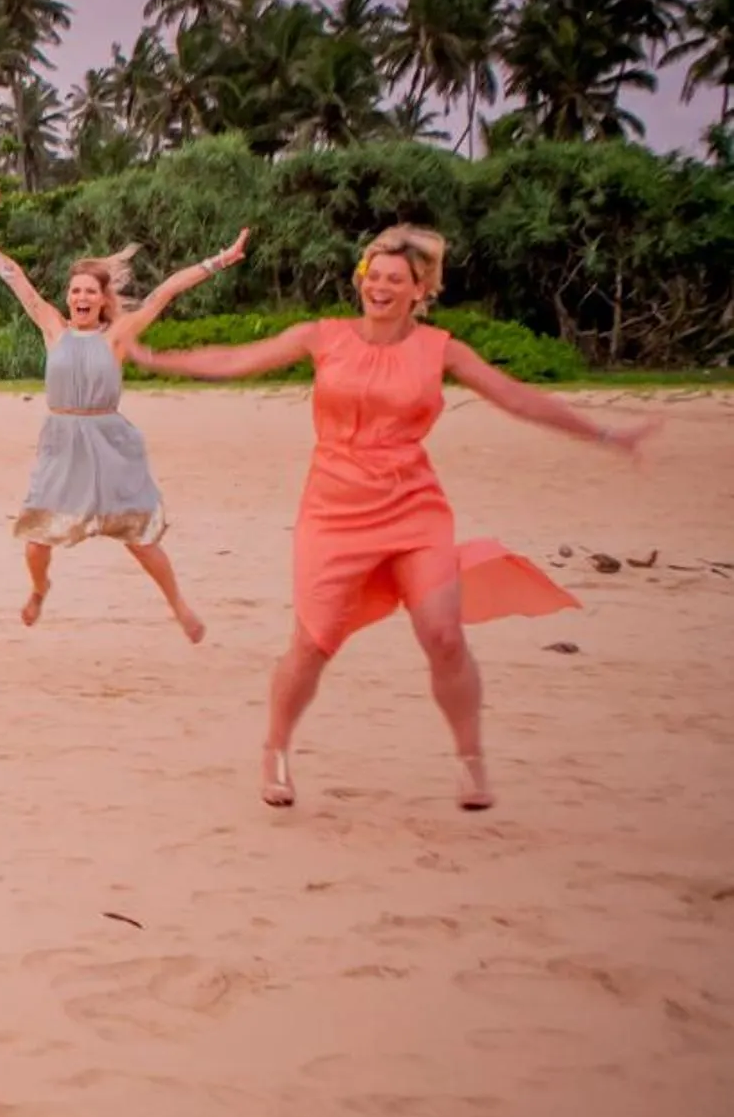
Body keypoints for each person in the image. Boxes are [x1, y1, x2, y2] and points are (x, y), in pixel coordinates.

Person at [128, 225, 657, 811]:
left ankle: (470, 759)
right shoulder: (323, 337)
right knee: (312, 643)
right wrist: (156, 357)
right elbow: (237, 359)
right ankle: (275, 751)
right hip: (333, 511)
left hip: (413, 507)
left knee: (443, 634)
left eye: (394, 280)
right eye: (372, 277)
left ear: (419, 290)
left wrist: (607, 434)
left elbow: (516, 397)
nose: (379, 287)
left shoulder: (440, 349)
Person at [0, 220, 251, 638]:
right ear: (68, 297)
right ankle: (40, 590)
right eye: (75, 290)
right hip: (62, 443)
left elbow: (166, 291)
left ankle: (180, 606)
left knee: (140, 538)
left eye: (90, 292)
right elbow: (16, 279)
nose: (82, 297)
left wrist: (220, 260)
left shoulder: (117, 335)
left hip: (109, 443)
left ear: (102, 300)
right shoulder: (53, 329)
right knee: (36, 541)